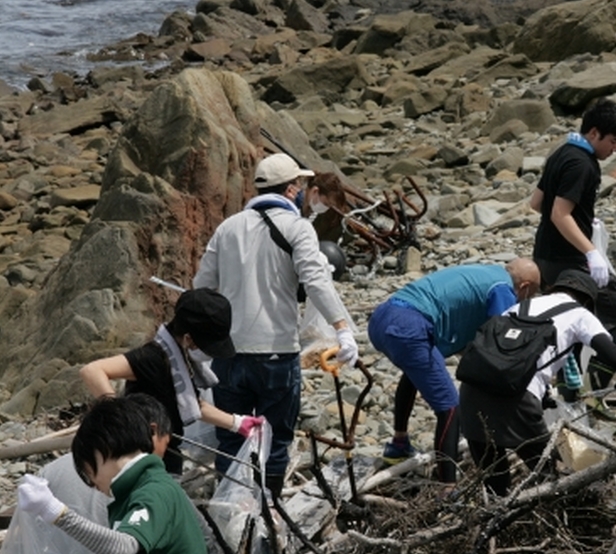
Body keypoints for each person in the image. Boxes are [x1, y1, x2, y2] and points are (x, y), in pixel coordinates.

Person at [193, 152, 360, 499]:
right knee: (277, 440)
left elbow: (202, 286)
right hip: (277, 354)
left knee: (231, 439)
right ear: (293, 189)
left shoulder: (228, 227)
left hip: (228, 353)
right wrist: (342, 328)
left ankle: (232, 516)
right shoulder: (297, 227)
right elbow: (315, 282)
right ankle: (268, 515)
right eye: (300, 184)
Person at [459, 270, 616, 496]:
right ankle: (567, 522)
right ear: (586, 300)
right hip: (517, 399)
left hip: (470, 392)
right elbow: (612, 355)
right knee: (550, 476)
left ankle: (496, 525)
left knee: (495, 482)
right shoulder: (579, 314)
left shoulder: (519, 307)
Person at [367, 259, 541, 482]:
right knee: (450, 407)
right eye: (531, 295)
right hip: (409, 327)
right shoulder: (503, 290)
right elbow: (501, 343)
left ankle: (398, 444)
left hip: (383, 317)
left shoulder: (486, 271)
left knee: (414, 373)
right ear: (525, 287)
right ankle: (447, 487)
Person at [79, 288, 262, 476]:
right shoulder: (152, 357)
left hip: (168, 456)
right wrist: (121, 418)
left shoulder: (181, 358)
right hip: (144, 461)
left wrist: (238, 423)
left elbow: (190, 403)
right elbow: (92, 371)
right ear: (189, 338)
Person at [530, 98, 616, 390]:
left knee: (572, 324)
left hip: (545, 257)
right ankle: (596, 388)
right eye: (613, 141)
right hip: (572, 261)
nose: (615, 149)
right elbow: (558, 213)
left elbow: (537, 202)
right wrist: (590, 250)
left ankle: (570, 394)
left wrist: (580, 222)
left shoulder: (562, 152)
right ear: (593, 133)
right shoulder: (583, 165)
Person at [15, 396, 207, 554]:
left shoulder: (153, 490)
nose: (92, 484)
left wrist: (56, 512)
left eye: (88, 472)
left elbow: (125, 547)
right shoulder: (141, 487)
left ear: (102, 449)